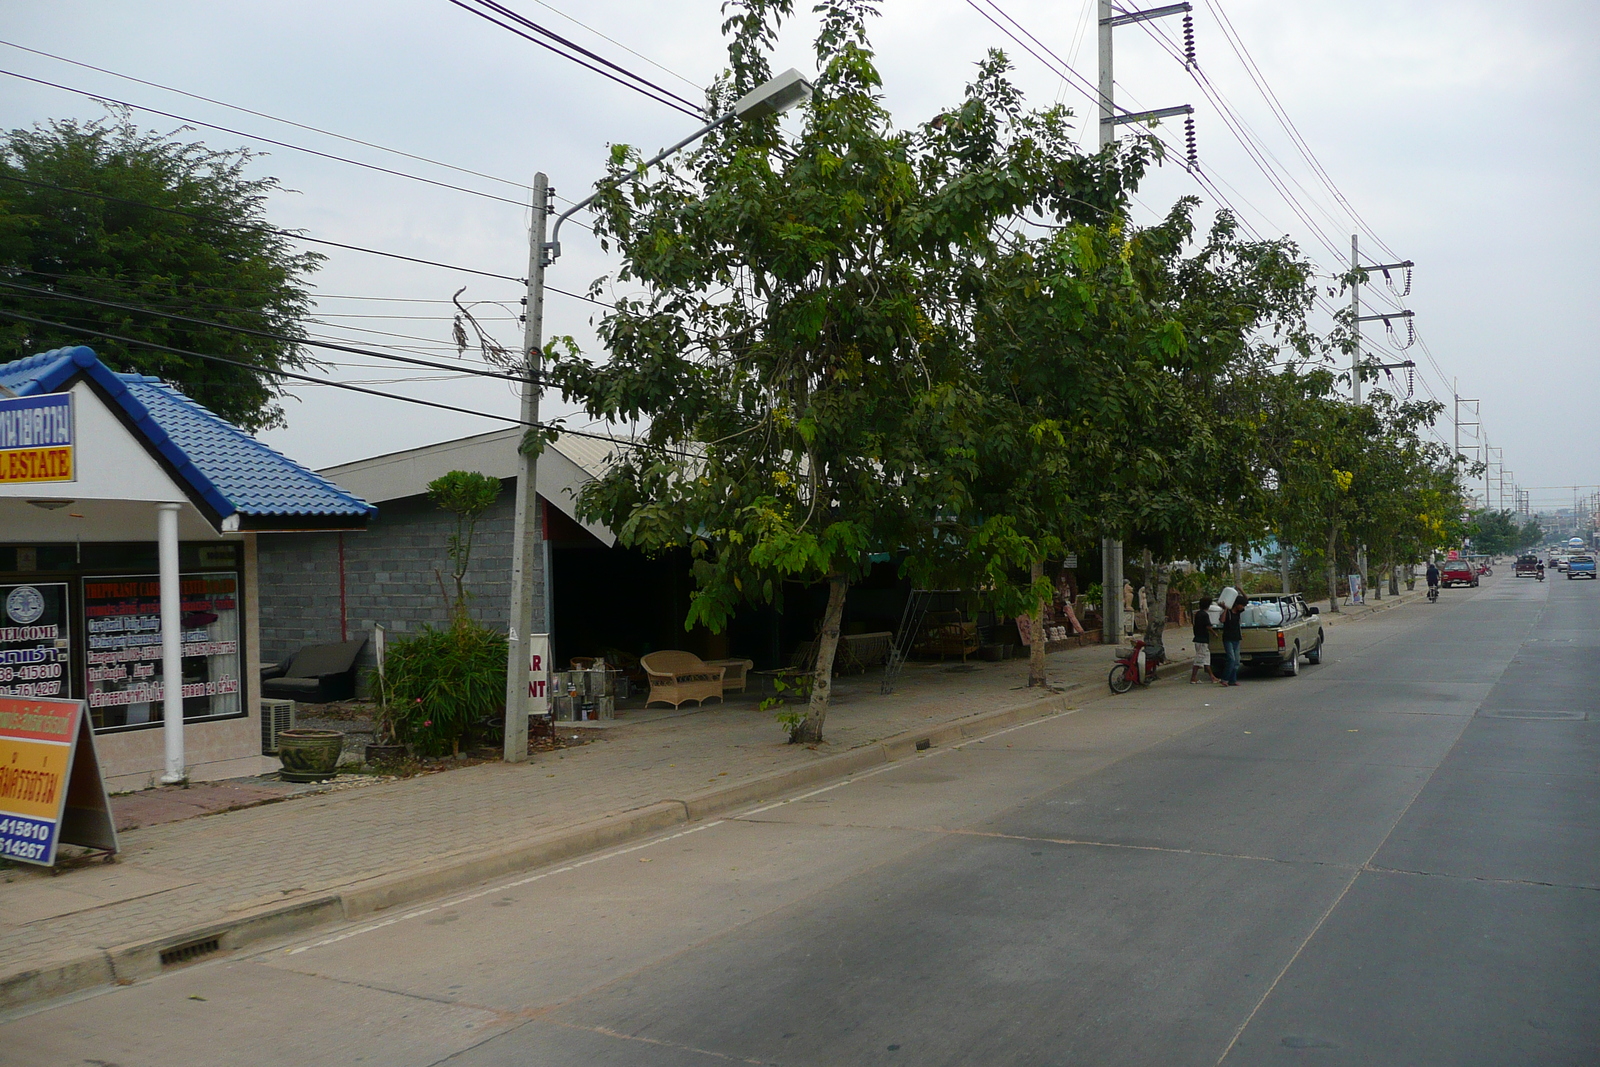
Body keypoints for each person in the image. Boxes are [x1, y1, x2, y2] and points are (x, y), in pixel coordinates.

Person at [1190, 598, 1219, 684]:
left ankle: (1212, 677)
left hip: (1200, 639)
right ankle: (1193, 678)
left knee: (1206, 659)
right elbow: (1208, 626)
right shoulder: (1205, 615)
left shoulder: (1198, 614)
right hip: (1202, 640)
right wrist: (1214, 633)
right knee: (1199, 659)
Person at [1220, 593, 1245, 687]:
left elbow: (1246, 598)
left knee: (1236, 661)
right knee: (1231, 659)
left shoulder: (1238, 612)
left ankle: (1232, 680)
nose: (1242, 607)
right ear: (1237, 604)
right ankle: (1224, 679)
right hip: (1228, 638)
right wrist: (1225, 609)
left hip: (1236, 638)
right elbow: (1222, 620)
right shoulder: (1228, 612)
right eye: (1241, 605)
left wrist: (1240, 590)